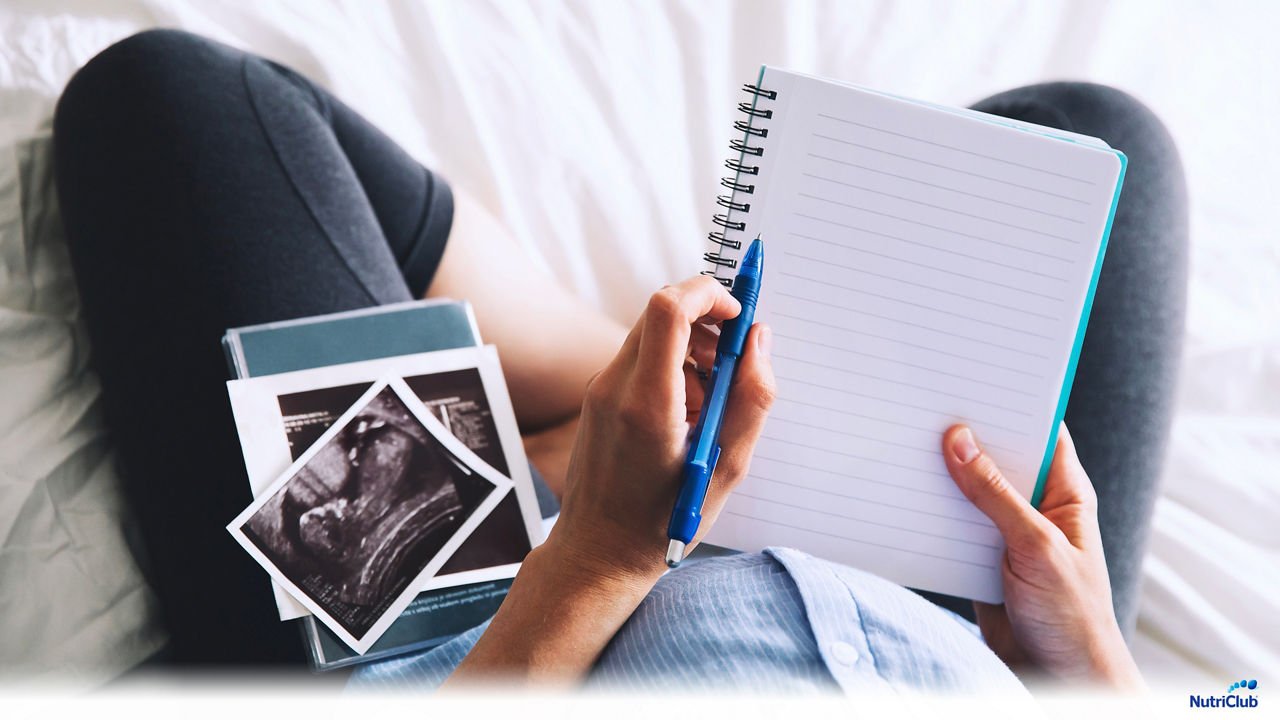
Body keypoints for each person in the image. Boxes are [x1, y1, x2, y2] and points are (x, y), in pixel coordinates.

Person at [52, 29, 1186, 690]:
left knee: (174, 101)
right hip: (959, 621)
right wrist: (1091, 672)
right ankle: (624, 393)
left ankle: (577, 439)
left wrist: (598, 547)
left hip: (488, 642)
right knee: (1095, 139)